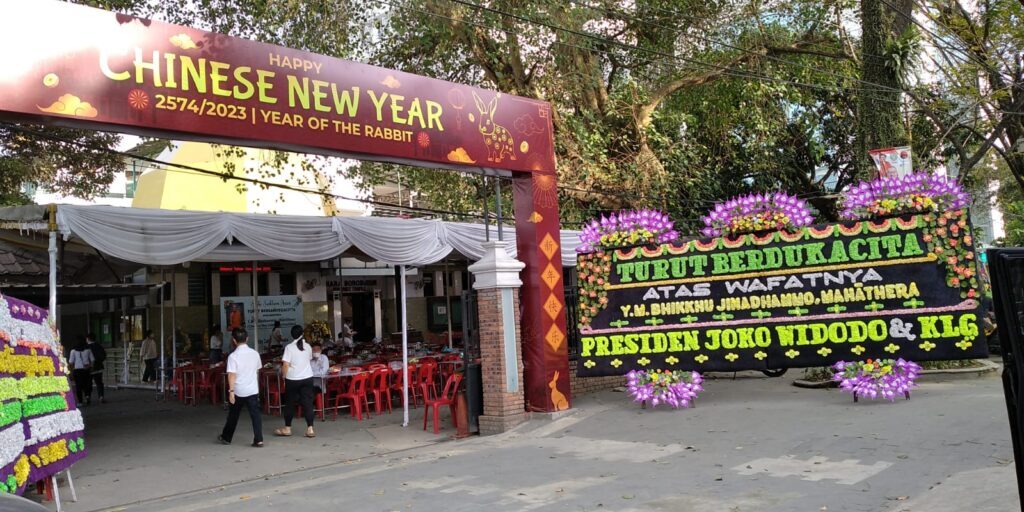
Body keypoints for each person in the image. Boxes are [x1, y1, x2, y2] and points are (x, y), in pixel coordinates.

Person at [218, 328, 264, 447]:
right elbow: (257, 370)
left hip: (238, 390)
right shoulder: (255, 353)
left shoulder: (233, 356)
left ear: (234, 340)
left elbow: (232, 375)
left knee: (233, 415)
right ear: (247, 338)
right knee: (255, 415)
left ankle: (226, 437)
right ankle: (259, 439)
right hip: (252, 389)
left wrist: (231, 391)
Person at [275, 325, 316, 438]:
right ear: (302, 334)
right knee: (307, 403)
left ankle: (287, 428)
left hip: (293, 379)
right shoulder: (308, 346)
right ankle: (310, 429)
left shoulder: (289, 347)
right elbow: (308, 360)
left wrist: (283, 376)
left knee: (289, 403)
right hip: (308, 378)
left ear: (292, 335)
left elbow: (286, 365)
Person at [69, 338, 94, 406]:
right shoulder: (88, 350)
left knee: (78, 386)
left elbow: (71, 362)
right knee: (87, 384)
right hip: (86, 369)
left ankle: (80, 401)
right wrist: (90, 367)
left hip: (77, 370)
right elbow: (92, 360)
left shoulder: (73, 351)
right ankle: (87, 396)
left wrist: (71, 371)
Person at [86, 333, 106, 404]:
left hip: (89, 368)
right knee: (99, 383)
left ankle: (88, 396)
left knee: (88, 383)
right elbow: (103, 356)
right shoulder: (99, 346)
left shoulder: (86, 347)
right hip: (98, 367)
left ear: (88, 339)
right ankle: (101, 397)